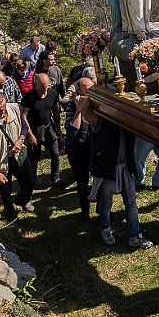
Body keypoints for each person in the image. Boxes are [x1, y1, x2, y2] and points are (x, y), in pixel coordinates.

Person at [82, 94, 152, 248]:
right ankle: (105, 229)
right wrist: (94, 93)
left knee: (131, 202)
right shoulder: (100, 119)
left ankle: (135, 235)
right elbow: (85, 112)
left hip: (125, 166)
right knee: (106, 204)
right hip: (108, 168)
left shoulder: (125, 120)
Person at [0, 93, 37, 222]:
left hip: (19, 155)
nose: (3, 110)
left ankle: (21, 200)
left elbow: (24, 126)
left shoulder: (14, 108)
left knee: (30, 182)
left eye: (4, 106)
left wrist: (20, 140)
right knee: (5, 191)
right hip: (0, 160)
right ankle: (11, 216)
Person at [21, 72, 64, 186]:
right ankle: (33, 179)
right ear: (36, 84)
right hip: (34, 128)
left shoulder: (52, 94)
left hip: (49, 127)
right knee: (34, 157)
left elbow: (56, 111)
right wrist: (30, 135)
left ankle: (55, 178)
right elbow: (23, 116)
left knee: (55, 153)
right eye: (43, 86)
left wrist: (58, 129)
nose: (45, 89)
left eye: (47, 86)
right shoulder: (29, 97)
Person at [65, 76, 95, 220]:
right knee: (82, 181)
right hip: (78, 149)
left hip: (94, 146)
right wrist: (79, 109)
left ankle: (102, 209)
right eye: (89, 89)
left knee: (98, 180)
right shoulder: (72, 105)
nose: (92, 91)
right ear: (80, 91)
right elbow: (73, 130)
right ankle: (85, 210)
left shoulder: (96, 103)